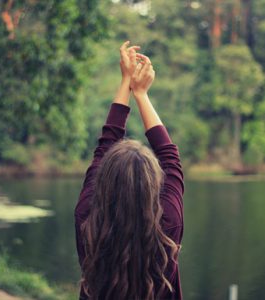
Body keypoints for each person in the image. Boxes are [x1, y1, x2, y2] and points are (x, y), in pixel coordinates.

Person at [74, 41, 185, 300]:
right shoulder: (168, 222)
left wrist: (126, 81)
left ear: (104, 180)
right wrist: (141, 93)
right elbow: (170, 158)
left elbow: (105, 146)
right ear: (153, 183)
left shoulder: (88, 220)